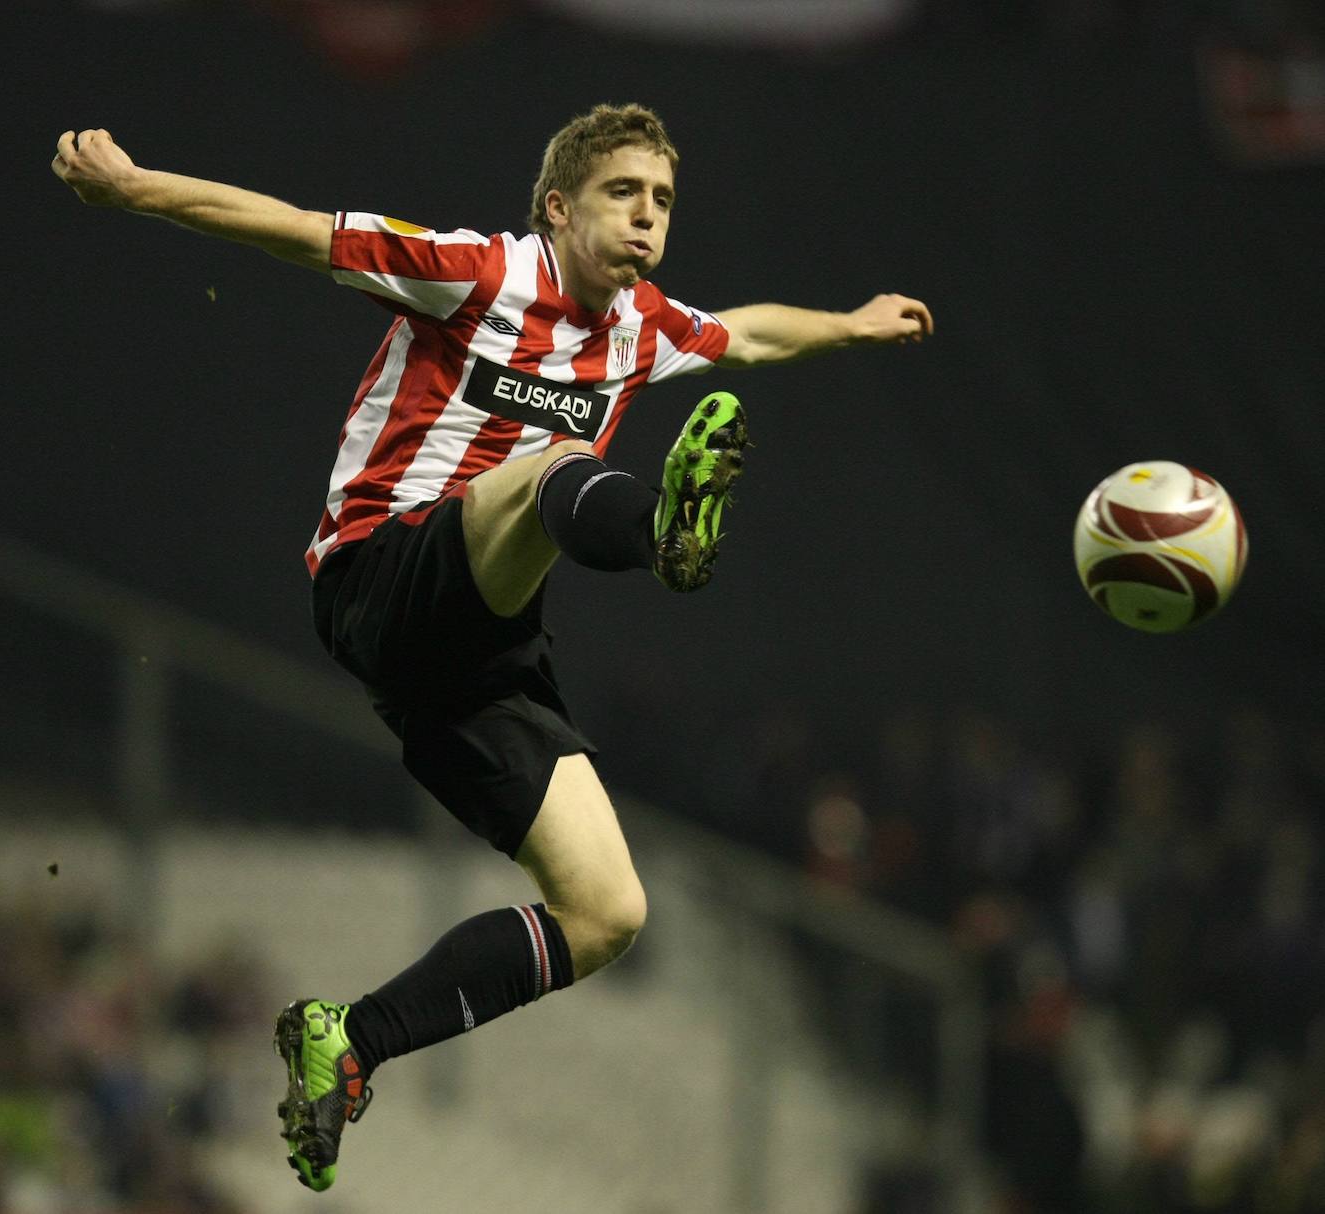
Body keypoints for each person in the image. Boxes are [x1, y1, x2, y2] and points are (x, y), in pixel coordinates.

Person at [52, 103, 933, 1191]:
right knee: (550, 461)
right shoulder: (477, 273)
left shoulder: (643, 327)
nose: (647, 216)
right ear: (558, 207)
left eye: (662, 200)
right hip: (379, 574)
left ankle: (351, 1040)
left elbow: (748, 333)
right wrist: (136, 188)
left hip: (475, 653)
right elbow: (297, 230)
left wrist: (849, 324)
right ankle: (662, 537)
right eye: (623, 193)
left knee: (609, 910)